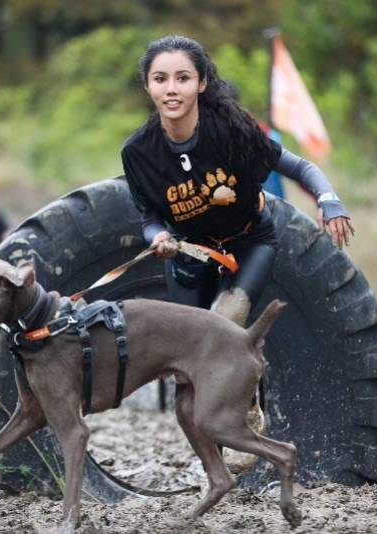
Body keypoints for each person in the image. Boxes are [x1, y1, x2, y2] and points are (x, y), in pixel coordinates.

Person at [121, 34, 354, 471]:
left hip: (248, 243)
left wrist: (329, 201)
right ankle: (210, 461)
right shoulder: (138, 152)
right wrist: (156, 238)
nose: (172, 89)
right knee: (185, 366)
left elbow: (300, 167)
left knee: (225, 325)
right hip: (190, 254)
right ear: (148, 87)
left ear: (202, 83)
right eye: (161, 79)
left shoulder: (231, 128)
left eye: (183, 78)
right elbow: (148, 215)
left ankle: (247, 411)